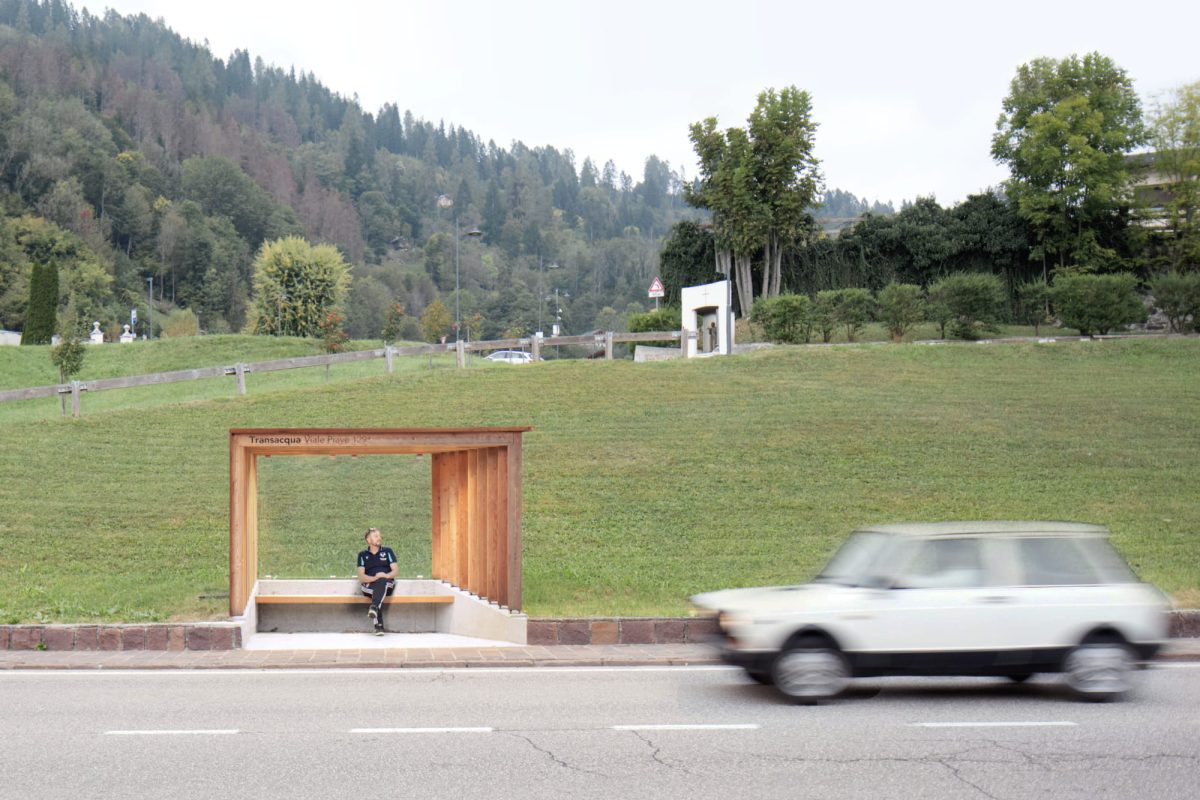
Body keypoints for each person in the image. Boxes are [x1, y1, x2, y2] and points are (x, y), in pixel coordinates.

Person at [356, 527, 397, 635]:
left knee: (381, 583)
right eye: (375, 536)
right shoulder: (362, 555)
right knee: (378, 589)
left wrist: (385, 575)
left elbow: (395, 571)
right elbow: (361, 576)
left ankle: (378, 622)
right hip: (368, 585)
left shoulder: (388, 551)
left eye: (379, 536)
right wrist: (375, 578)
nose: (379, 538)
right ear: (368, 540)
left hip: (387, 583)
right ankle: (376, 615)